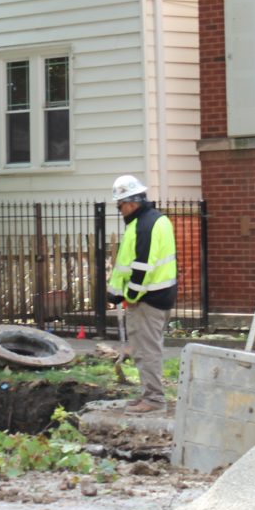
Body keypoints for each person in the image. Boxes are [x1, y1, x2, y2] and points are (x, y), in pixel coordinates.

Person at [107, 175, 177, 415]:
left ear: (130, 202)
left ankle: (155, 400)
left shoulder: (144, 226)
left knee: (146, 350)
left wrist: (129, 295)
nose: (120, 210)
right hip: (157, 295)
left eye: (119, 206)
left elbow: (142, 267)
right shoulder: (157, 221)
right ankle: (149, 394)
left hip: (147, 299)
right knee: (145, 348)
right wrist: (118, 292)